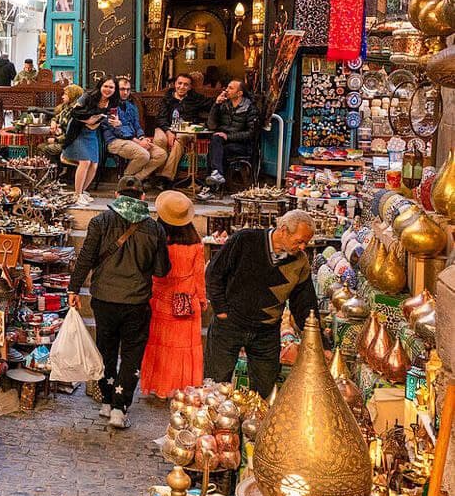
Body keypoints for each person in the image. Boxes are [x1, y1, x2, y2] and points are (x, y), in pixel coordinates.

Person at [67, 175, 171, 428]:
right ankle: (119, 407)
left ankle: (106, 400)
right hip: (136, 301)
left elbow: (85, 259)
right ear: (143, 198)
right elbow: (161, 270)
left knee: (106, 349)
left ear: (116, 195)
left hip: (104, 298)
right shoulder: (154, 228)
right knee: (132, 354)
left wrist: (73, 288)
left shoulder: (100, 221)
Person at [203, 210, 325, 398]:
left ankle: (254, 425)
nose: (302, 247)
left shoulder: (300, 263)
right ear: (283, 230)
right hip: (230, 324)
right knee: (216, 383)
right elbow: (215, 272)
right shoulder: (245, 240)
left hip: (266, 331)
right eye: (299, 241)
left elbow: (305, 304)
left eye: (306, 243)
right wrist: (220, 310)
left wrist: (320, 340)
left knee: (264, 388)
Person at [139, 191, 206, 398]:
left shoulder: (158, 240)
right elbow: (199, 276)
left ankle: (161, 388)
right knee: (185, 348)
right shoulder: (196, 244)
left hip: (160, 299)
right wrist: (202, 299)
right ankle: (182, 388)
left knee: (160, 345)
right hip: (187, 301)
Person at [62, 76, 120, 205]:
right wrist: (88, 120)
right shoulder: (88, 96)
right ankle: (77, 194)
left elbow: (109, 119)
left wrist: (115, 122)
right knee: (85, 161)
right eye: (105, 86)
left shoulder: (112, 102)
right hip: (77, 130)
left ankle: (82, 191)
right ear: (100, 86)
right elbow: (74, 112)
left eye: (111, 87)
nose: (108, 89)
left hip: (92, 132)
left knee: (94, 164)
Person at [198, 80, 259, 200]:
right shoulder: (224, 105)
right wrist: (216, 104)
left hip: (241, 145)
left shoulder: (250, 108)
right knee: (216, 140)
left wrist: (229, 136)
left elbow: (251, 133)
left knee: (216, 149)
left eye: (231, 88)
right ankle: (217, 175)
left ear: (239, 93)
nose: (226, 90)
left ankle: (210, 186)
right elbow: (211, 125)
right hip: (222, 142)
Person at [102, 77, 167, 184]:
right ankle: (125, 181)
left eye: (128, 89)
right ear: (115, 90)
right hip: (115, 140)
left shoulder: (131, 106)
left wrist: (142, 137)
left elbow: (136, 125)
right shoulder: (109, 106)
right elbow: (117, 130)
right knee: (143, 155)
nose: (126, 92)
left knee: (161, 154)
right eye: (122, 89)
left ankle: (134, 180)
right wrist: (137, 141)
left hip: (133, 139)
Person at [153, 74, 213, 182]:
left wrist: (221, 99)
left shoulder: (195, 98)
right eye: (179, 83)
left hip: (186, 129)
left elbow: (212, 104)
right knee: (160, 140)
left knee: (179, 139)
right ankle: (157, 175)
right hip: (165, 127)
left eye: (186, 85)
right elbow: (161, 118)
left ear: (190, 87)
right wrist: (168, 131)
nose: (182, 87)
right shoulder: (167, 98)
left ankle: (166, 177)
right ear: (175, 84)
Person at [37, 83, 84, 164]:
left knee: (46, 148)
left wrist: (56, 140)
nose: (62, 96)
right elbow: (56, 117)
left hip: (70, 143)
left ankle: (56, 169)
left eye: (65, 94)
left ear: (73, 95)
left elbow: (71, 134)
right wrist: (53, 122)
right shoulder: (66, 107)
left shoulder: (75, 111)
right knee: (40, 146)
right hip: (62, 138)